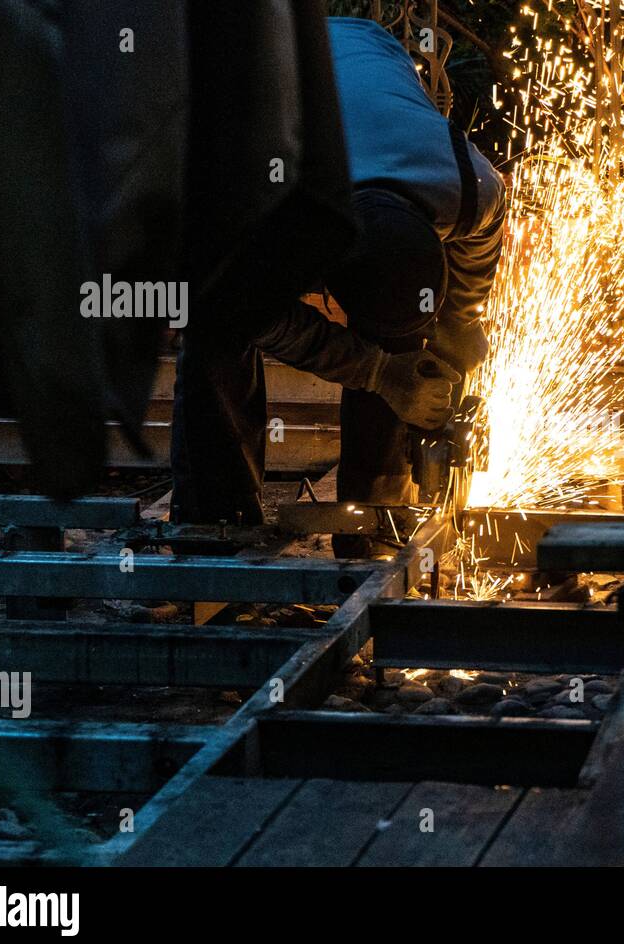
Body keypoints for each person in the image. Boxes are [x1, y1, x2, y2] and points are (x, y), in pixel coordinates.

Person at [170, 15, 506, 546]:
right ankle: (217, 522)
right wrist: (379, 372)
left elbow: (470, 276)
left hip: (362, 46)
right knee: (213, 325)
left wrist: (454, 331)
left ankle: (373, 523)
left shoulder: (471, 186)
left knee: (400, 358)